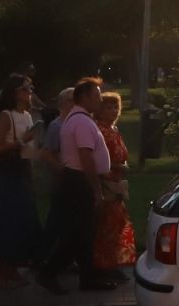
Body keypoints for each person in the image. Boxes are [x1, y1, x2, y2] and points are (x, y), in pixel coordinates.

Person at [37, 78, 116, 294]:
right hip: (80, 180)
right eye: (97, 96)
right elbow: (86, 156)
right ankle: (49, 271)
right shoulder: (81, 122)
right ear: (83, 98)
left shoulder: (78, 119)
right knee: (79, 233)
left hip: (76, 180)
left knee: (85, 232)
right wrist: (96, 189)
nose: (100, 100)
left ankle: (88, 277)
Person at [0, 75, 43, 288]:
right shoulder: (6, 116)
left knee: (21, 218)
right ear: (15, 92)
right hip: (8, 173)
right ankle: (2, 269)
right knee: (7, 219)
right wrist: (20, 142)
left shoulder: (27, 115)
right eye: (26, 88)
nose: (30, 92)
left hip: (23, 169)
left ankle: (13, 266)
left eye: (31, 88)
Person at [92, 91, 138, 276]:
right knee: (107, 226)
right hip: (105, 182)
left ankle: (112, 263)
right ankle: (104, 266)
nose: (113, 111)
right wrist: (118, 166)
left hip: (117, 182)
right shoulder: (100, 129)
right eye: (108, 107)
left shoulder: (113, 129)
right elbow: (98, 159)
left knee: (117, 225)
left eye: (115, 107)